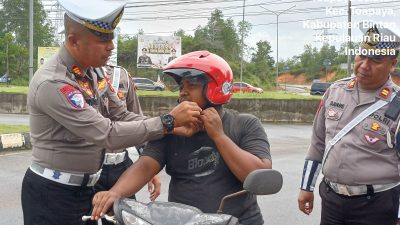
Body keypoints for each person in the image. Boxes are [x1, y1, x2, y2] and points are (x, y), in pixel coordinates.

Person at [21, 0, 202, 224]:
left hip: (88, 190)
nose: (111, 46)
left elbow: (122, 115)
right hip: (53, 193)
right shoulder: (53, 82)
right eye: (102, 40)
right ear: (73, 41)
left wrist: (171, 127)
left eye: (111, 38)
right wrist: (166, 122)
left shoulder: (94, 73)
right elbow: (107, 134)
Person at [91, 50, 272, 225]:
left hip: (236, 221)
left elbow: (258, 176)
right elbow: (145, 165)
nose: (183, 92)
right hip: (184, 221)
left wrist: (219, 136)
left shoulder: (245, 124)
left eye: (191, 85)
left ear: (215, 89)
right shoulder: (172, 129)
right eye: (181, 87)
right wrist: (115, 192)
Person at [298, 22, 400, 225]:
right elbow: (318, 143)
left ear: (392, 64)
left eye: (376, 60)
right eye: (362, 55)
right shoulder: (335, 91)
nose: (364, 65)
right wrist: (306, 187)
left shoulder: (397, 103)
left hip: (377, 205)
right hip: (332, 199)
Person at [97, 64, 161, 225]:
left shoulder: (121, 75)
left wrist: (150, 167)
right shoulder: (75, 76)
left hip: (120, 166)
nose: (108, 46)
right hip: (91, 169)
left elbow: (134, 118)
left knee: (123, 219)